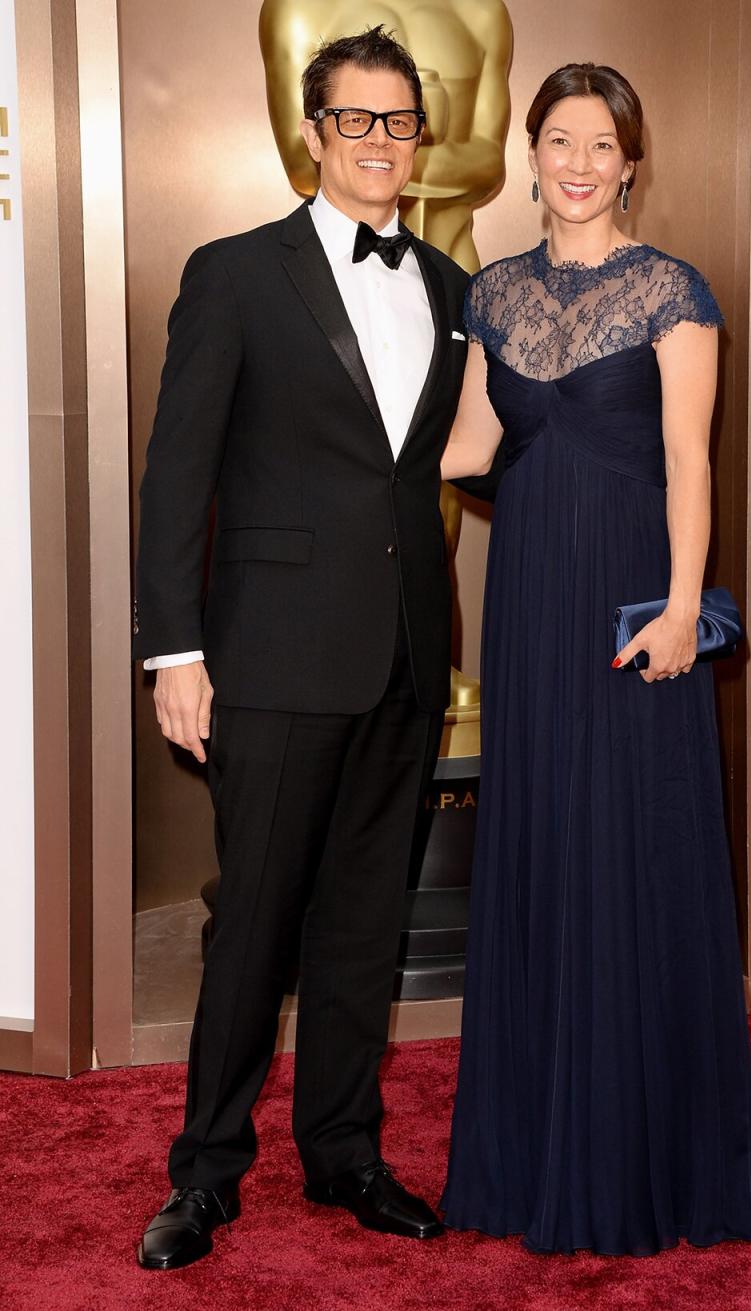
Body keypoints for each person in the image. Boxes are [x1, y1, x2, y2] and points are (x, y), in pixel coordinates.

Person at [438, 62, 751, 1257]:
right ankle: (540, 1138)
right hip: (531, 601)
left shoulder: (671, 290)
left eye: (602, 144)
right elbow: (472, 445)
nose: (580, 163)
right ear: (531, 153)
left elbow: (691, 463)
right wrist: (334, 433)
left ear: (631, 160)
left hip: (635, 597)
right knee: (543, 842)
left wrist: (683, 613)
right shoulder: (493, 291)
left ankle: (647, 1142)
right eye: (559, 141)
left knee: (629, 847)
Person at [134, 26, 493, 1270]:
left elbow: (448, 459)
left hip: (403, 655)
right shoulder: (235, 273)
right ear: (313, 132)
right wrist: (174, 651)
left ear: (418, 138)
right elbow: (177, 472)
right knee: (255, 931)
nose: (381, 144)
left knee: (361, 928)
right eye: (357, 121)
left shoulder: (451, 290)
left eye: (400, 123)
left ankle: (344, 1153)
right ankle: (206, 1176)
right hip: (272, 655)